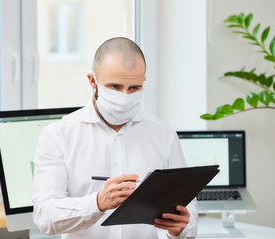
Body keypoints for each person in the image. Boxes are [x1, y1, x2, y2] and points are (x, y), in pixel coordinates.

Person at [33, 37, 198, 239]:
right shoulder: (58, 135)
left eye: (134, 88)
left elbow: (189, 215)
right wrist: (98, 203)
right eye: (114, 86)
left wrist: (180, 229)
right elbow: (44, 216)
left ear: (143, 82)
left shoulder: (164, 135)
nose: (124, 97)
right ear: (92, 81)